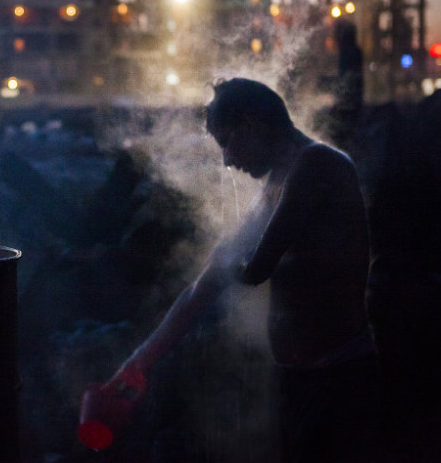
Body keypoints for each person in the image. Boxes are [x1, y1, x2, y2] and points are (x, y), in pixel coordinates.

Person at [103, 79, 380, 462]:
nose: (227, 161)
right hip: (300, 380)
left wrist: (225, 261)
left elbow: (254, 270)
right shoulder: (275, 186)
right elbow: (203, 287)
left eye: (226, 142)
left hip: (339, 380)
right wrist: (138, 363)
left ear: (250, 123)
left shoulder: (317, 165)